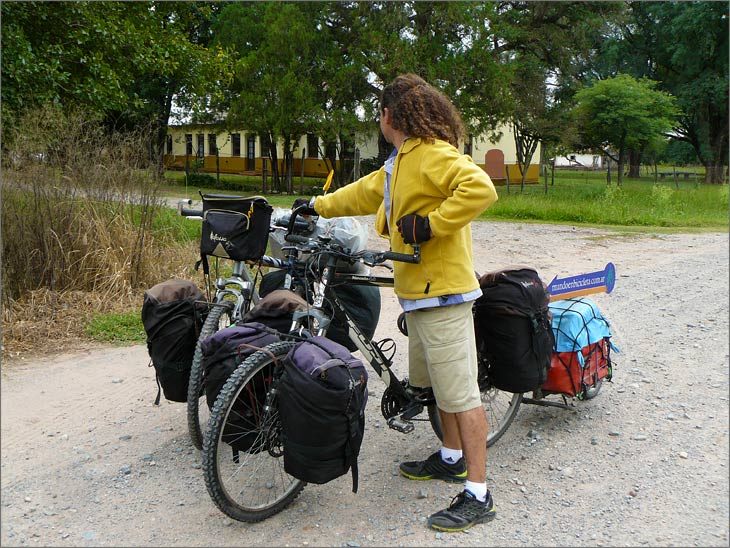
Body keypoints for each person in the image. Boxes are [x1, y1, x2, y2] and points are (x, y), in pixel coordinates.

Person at [292, 73, 498, 532]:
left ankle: (479, 494)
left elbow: (482, 188)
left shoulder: (433, 155)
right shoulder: (400, 161)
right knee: (436, 386)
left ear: (389, 116)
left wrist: (433, 224)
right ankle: (451, 458)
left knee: (461, 394)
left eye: (379, 115)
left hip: (443, 294)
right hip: (418, 295)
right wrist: (316, 205)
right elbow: (365, 192)